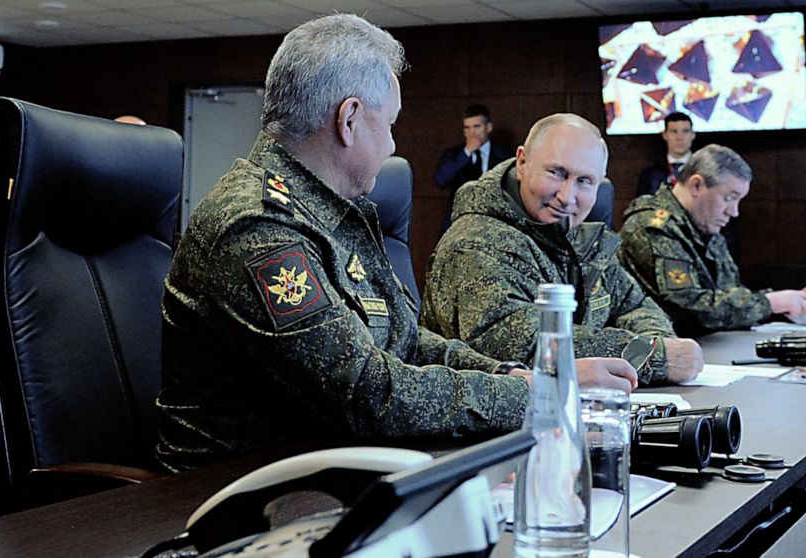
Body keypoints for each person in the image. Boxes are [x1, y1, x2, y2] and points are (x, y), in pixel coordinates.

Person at [155, 15, 636, 473]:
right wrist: (539, 395)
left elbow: (407, 341)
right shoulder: (257, 228)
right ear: (349, 120)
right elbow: (369, 394)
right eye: (389, 125)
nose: (391, 146)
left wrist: (517, 379)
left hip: (332, 468)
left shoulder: (336, 210)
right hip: (233, 499)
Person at [420, 113, 703, 386]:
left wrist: (658, 344)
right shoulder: (474, 244)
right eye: (556, 173)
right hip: (501, 430)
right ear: (521, 162)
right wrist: (654, 355)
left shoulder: (574, 235)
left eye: (584, 181)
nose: (567, 197)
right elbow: (521, 346)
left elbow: (634, 304)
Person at [619, 144, 806, 337]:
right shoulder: (652, 226)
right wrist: (768, 303)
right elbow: (690, 307)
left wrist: (789, 302)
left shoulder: (702, 224)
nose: (733, 212)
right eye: (728, 198)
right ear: (696, 185)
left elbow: (726, 295)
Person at [433, 104, 512, 232]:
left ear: (488, 127)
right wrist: (466, 152)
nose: (471, 133)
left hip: (492, 223)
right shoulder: (455, 154)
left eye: (476, 127)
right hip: (459, 222)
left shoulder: (504, 156)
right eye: (467, 128)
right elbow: (441, 180)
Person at [636, 111, 695, 197]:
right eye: (674, 131)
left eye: (685, 131)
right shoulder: (650, 173)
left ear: (693, 135)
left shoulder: (703, 170)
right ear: (665, 135)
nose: (680, 137)